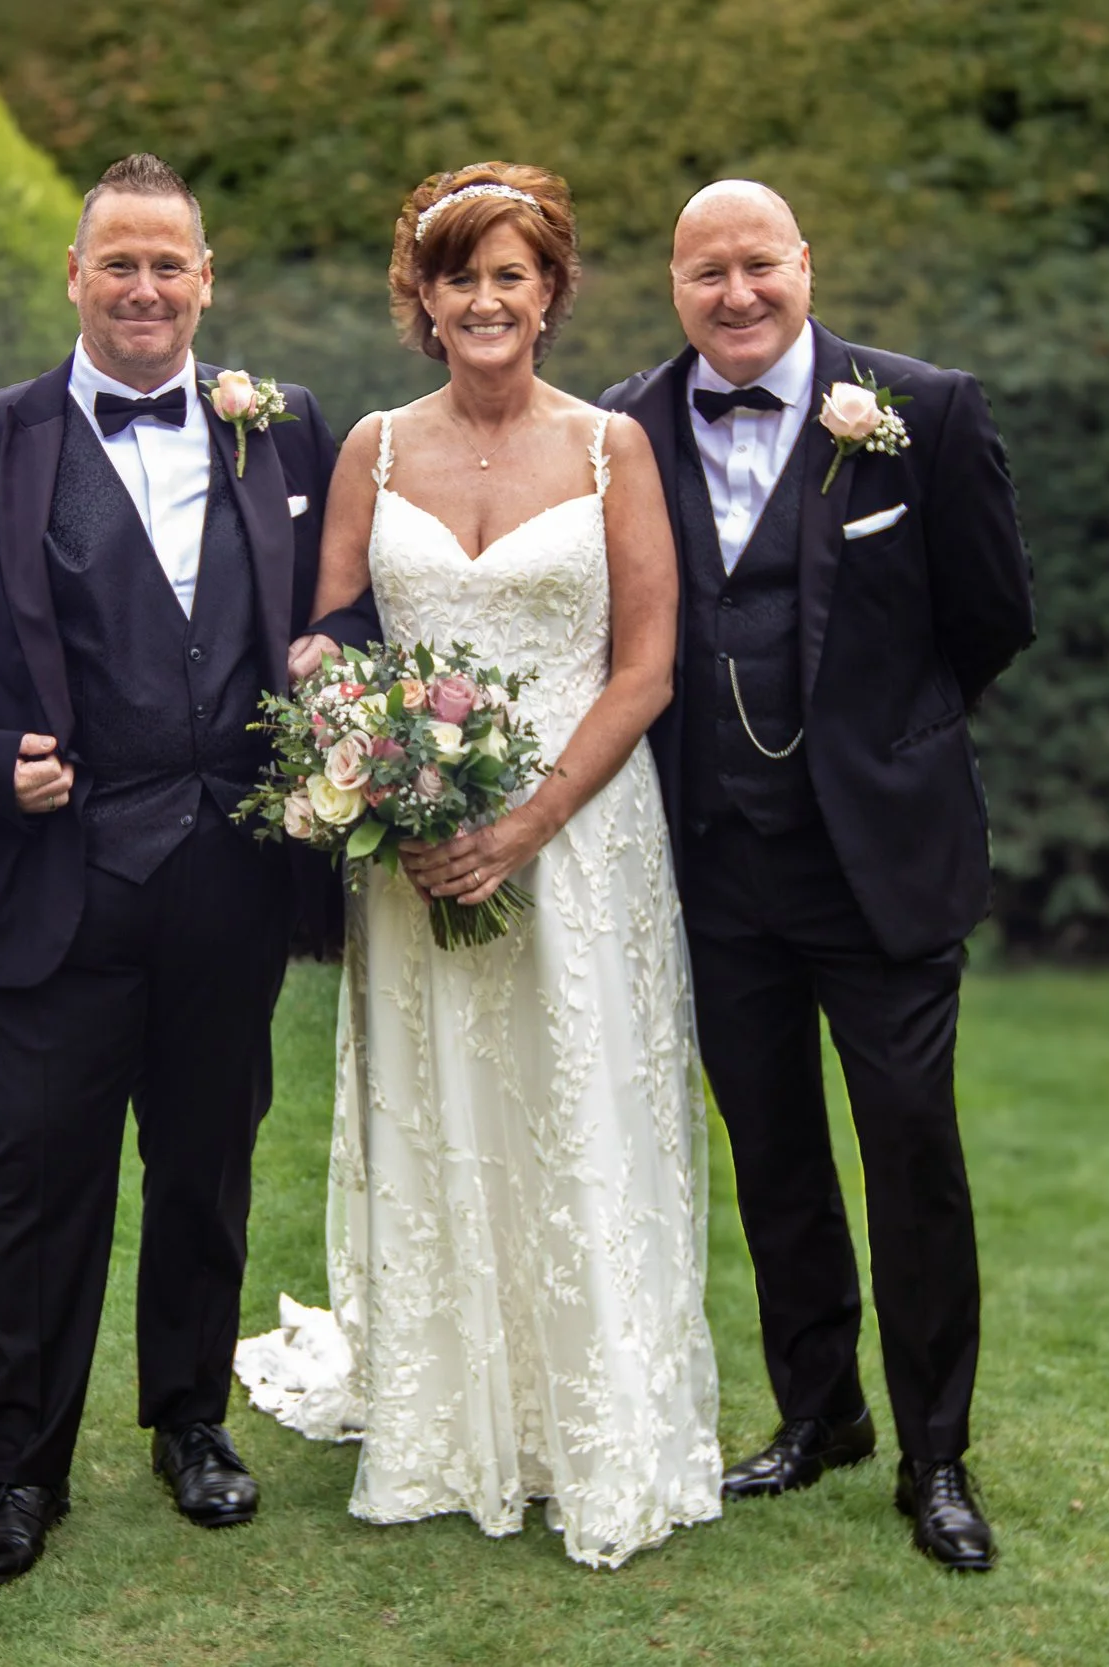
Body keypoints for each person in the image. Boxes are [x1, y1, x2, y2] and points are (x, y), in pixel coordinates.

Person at [0, 154, 374, 1587]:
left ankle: (191, 1422)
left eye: (171, 264)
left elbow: (349, 606)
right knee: (40, 1179)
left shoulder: (282, 433)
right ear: (77, 279)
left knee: (208, 1162)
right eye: (120, 264)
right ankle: (22, 1472)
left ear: (205, 279)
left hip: (233, 865)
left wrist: (333, 663)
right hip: (52, 871)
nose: (146, 287)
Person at [254, 162, 725, 1569]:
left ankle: (588, 1419)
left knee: (574, 1100)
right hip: (412, 839)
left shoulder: (611, 450)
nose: (483, 300)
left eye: (510, 274)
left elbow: (647, 669)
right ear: (422, 296)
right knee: (443, 1101)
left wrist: (523, 823)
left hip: (579, 838)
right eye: (458, 276)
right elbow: (332, 620)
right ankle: (444, 1418)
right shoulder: (376, 451)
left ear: (552, 292)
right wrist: (341, 701)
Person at [599, 181, 1035, 1571]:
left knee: (911, 1153)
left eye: (759, 266)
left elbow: (990, 616)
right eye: (707, 271)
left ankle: (938, 1454)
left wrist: (878, 742)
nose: (737, 295)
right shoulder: (624, 424)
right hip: (716, 868)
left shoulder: (926, 409)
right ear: (674, 283)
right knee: (774, 1153)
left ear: (804, 267)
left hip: (880, 867)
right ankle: (819, 1412)